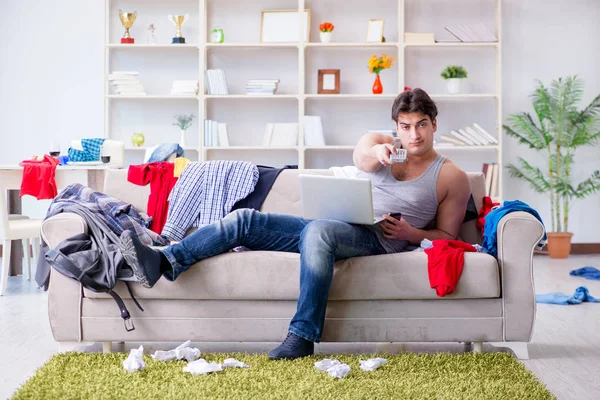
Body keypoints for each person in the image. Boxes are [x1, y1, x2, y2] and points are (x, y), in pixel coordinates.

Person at [120, 88, 471, 360]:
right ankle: (164, 262)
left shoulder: (451, 177)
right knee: (245, 220)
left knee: (319, 230)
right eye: (405, 127)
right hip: (340, 223)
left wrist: (412, 234)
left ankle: (303, 336)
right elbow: (361, 156)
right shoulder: (379, 144)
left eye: (421, 125)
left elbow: (447, 235)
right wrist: (376, 154)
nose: (414, 135)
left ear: (434, 124)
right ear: (396, 126)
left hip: (380, 239)